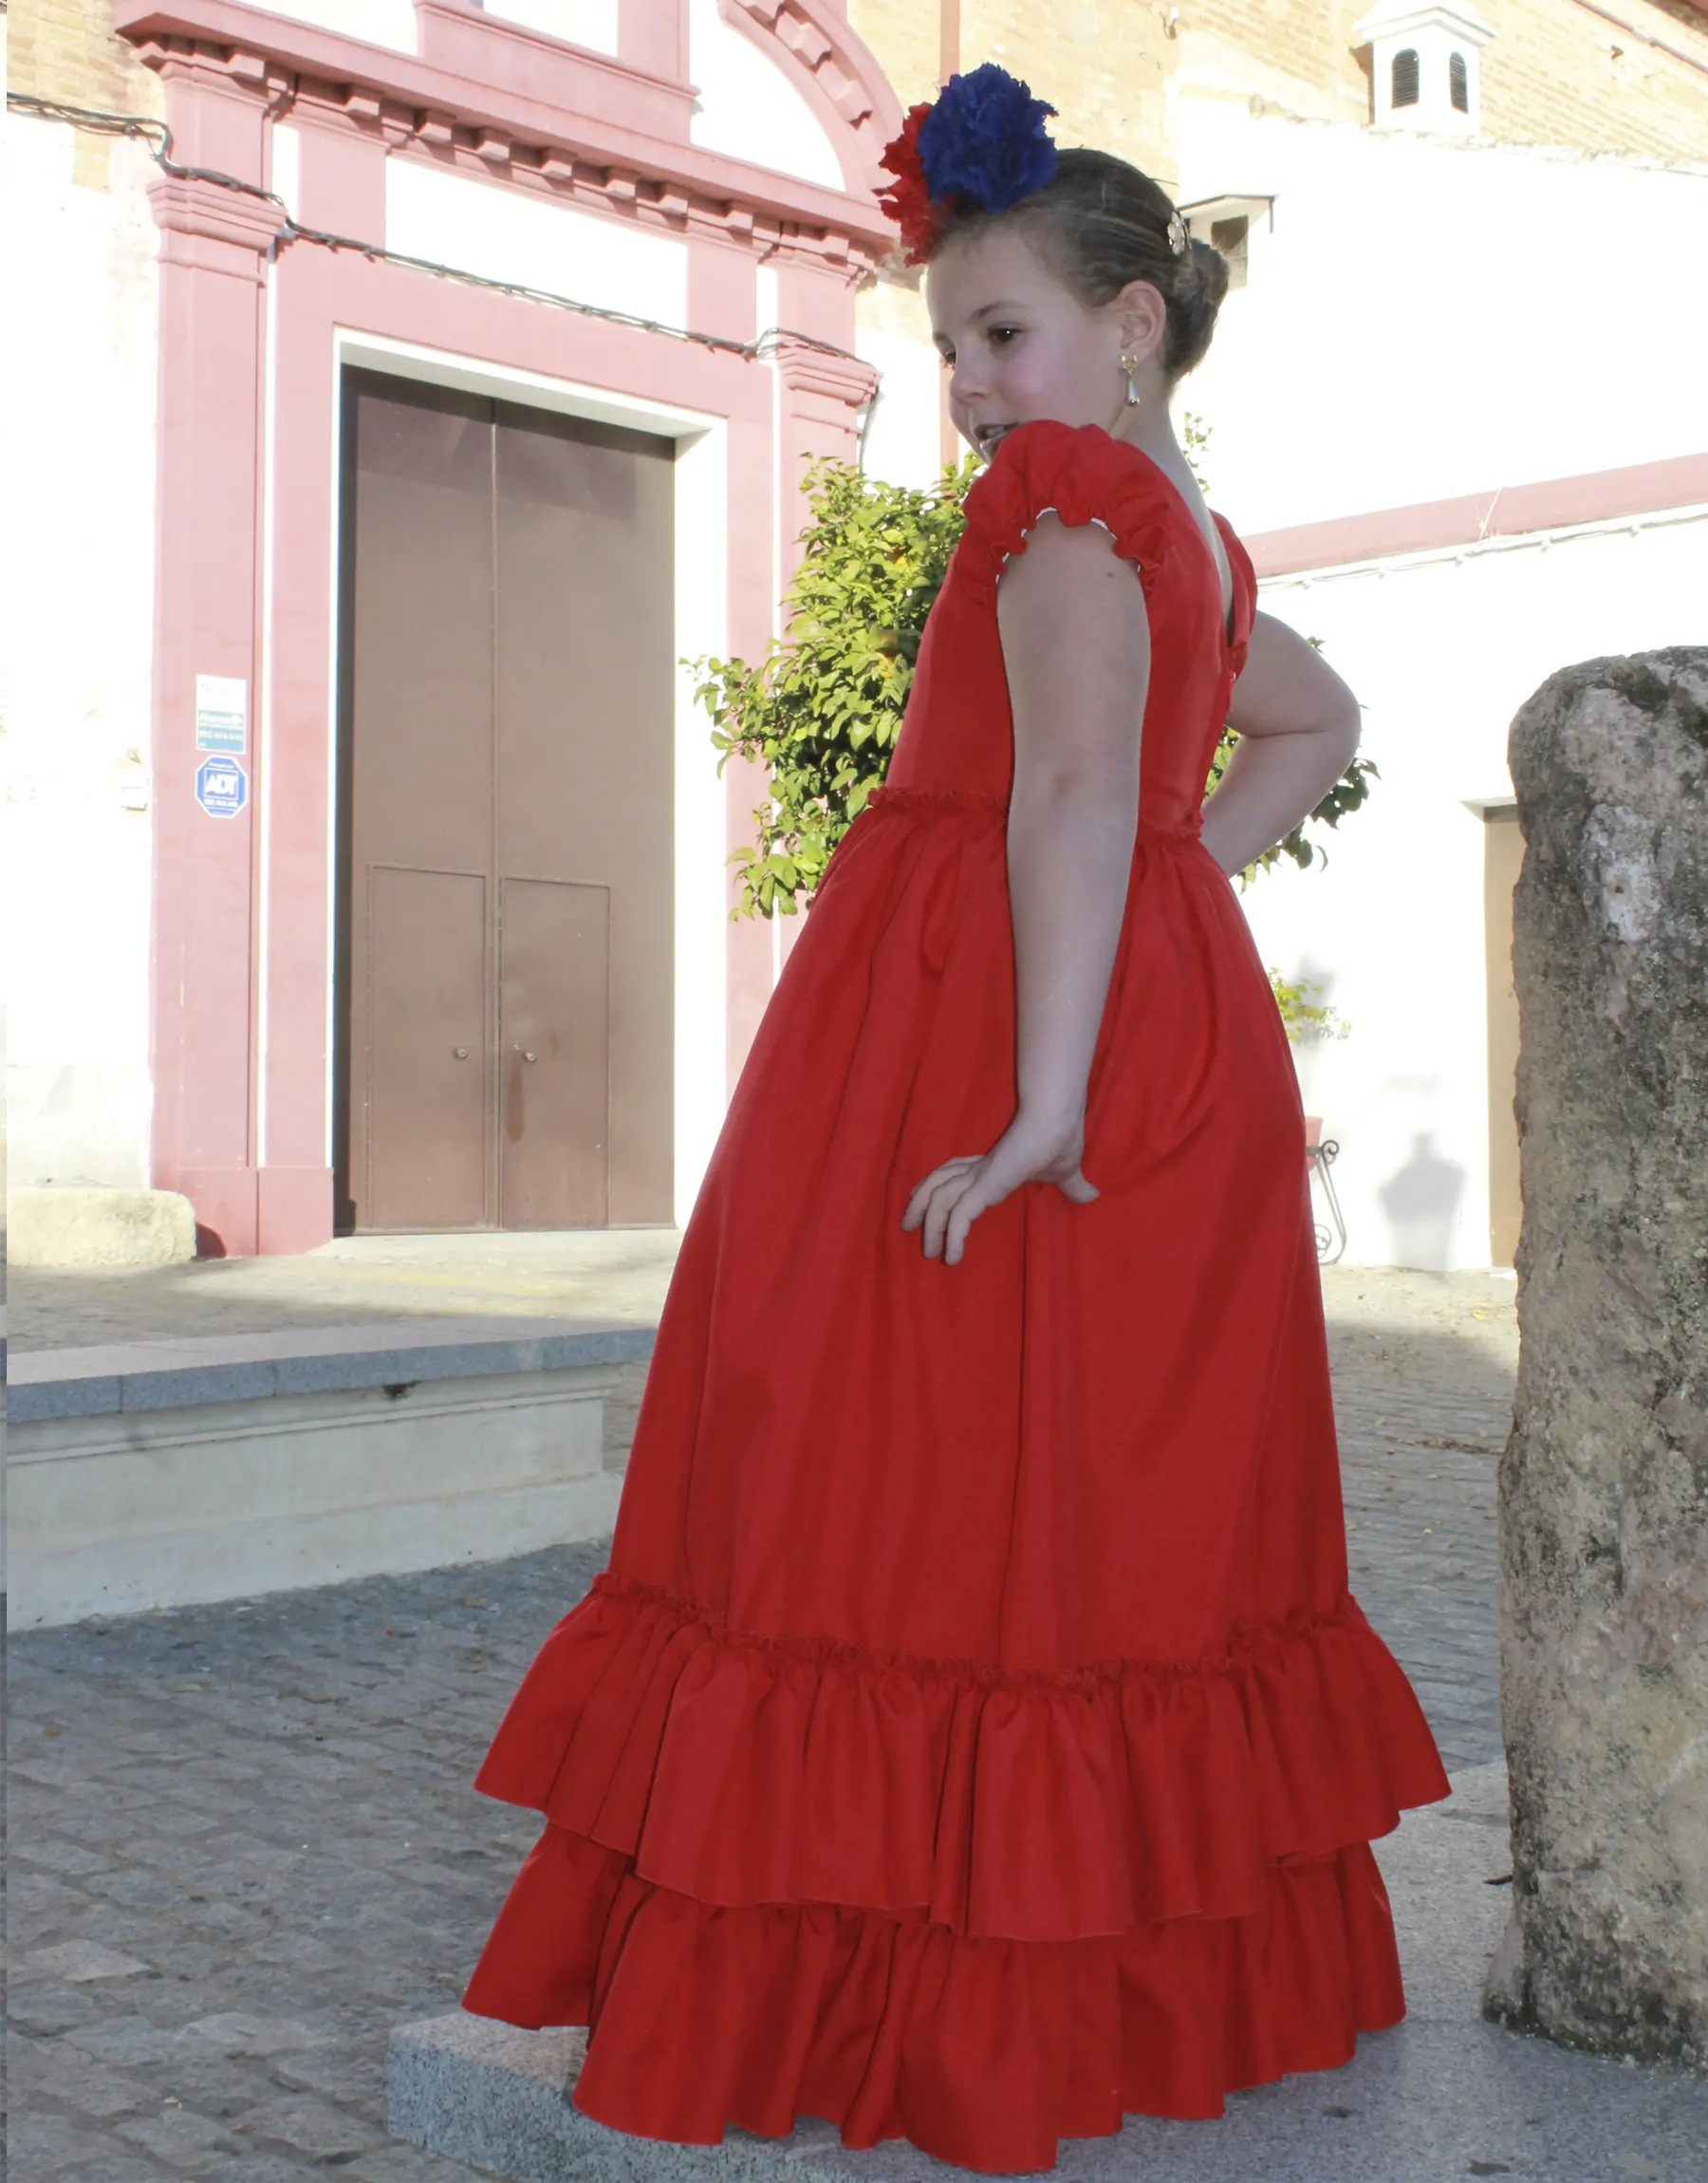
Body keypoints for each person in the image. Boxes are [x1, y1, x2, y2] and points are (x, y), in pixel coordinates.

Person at [460, 63, 1449, 2175]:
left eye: (998, 337)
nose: (971, 392)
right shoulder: (1190, 531)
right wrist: (1197, 886)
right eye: (951, 354)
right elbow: (1310, 720)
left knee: (890, 1484)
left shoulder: (1066, 503)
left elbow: (1081, 795)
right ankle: (1114, 1970)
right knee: (1104, 1515)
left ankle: (890, 1987)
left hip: (985, 1037)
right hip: (1130, 1016)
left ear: (1130, 327)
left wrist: (1044, 1093)